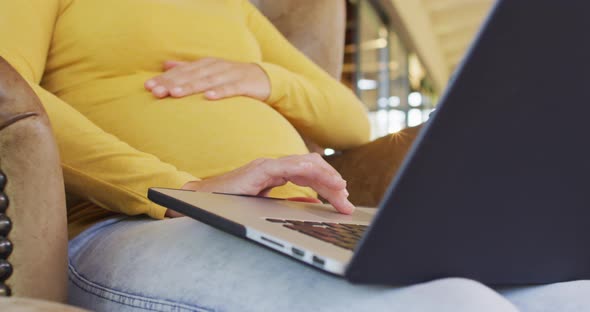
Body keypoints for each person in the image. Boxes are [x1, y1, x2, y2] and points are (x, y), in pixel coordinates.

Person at [1, 0, 588, 311]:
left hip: (296, 218)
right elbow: (9, 93)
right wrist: (179, 187)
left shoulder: (229, 6)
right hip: (131, 224)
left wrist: (265, 78)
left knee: (568, 293)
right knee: (449, 306)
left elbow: (349, 118)